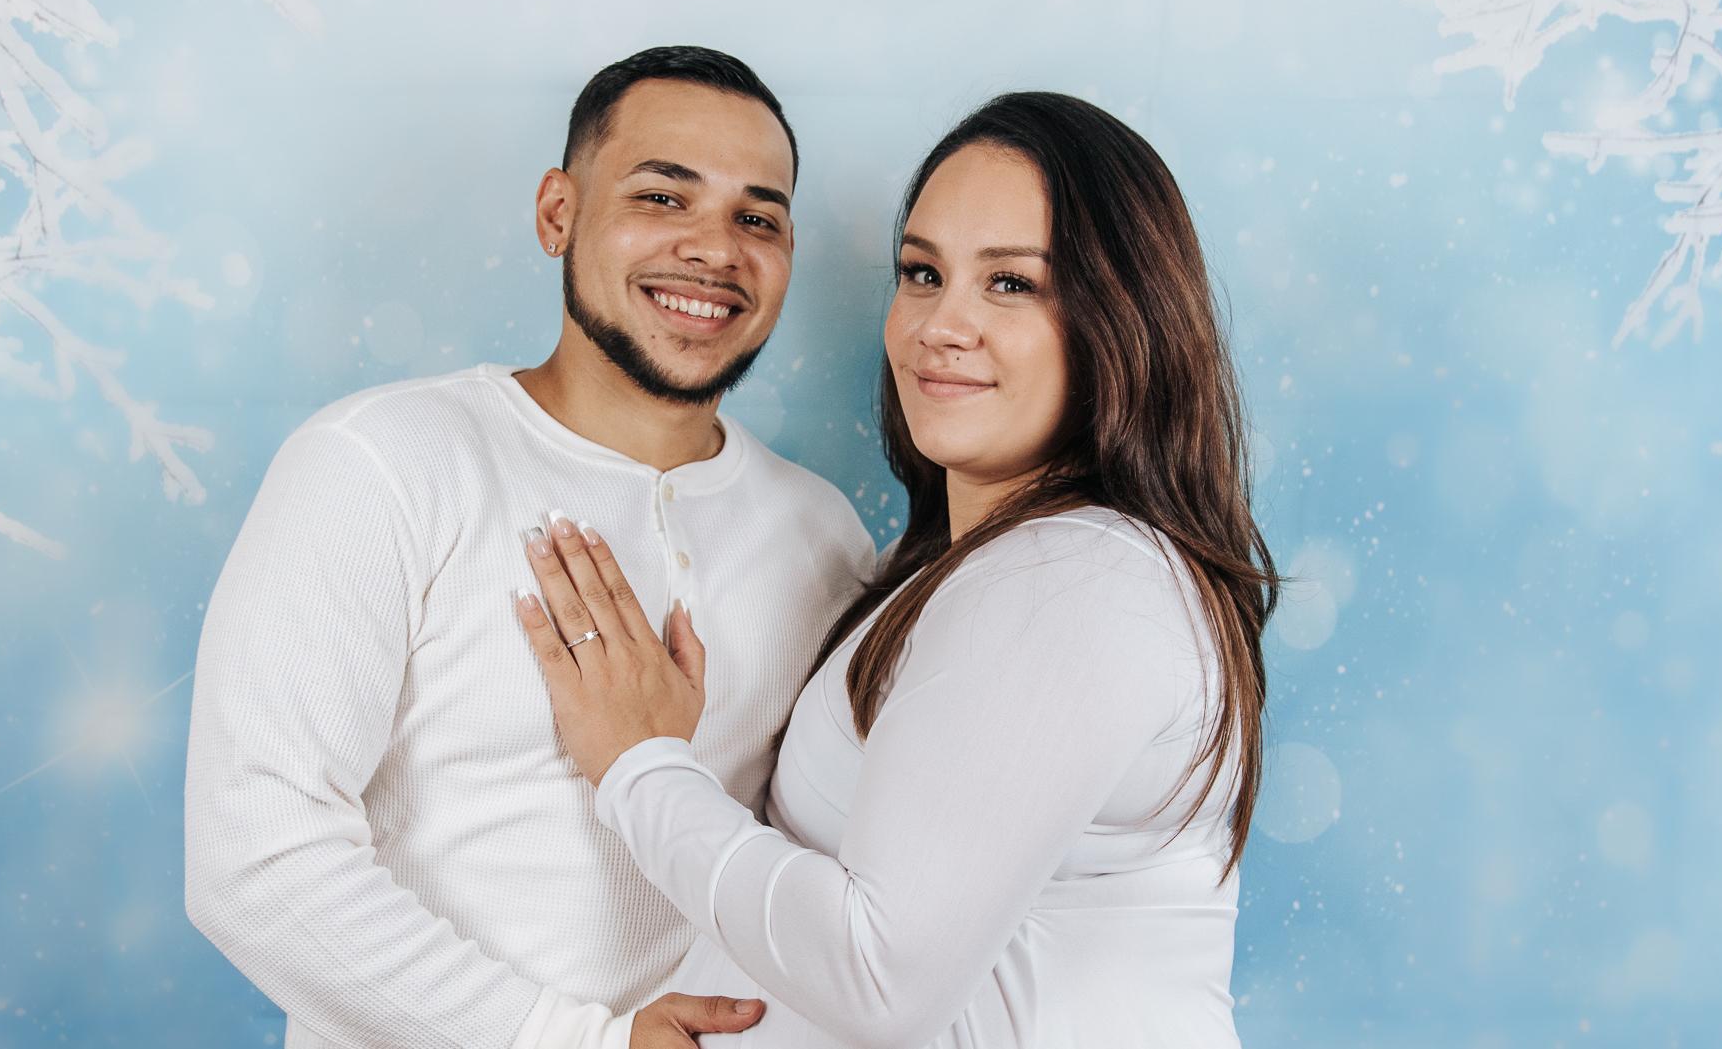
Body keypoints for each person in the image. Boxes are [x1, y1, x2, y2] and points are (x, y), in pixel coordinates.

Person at [515, 91, 1279, 1047]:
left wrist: (639, 766)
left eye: (1011, 283)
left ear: (1124, 318)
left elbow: (877, 975)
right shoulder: (945, 570)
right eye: (922, 273)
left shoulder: (1075, 576)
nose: (939, 325)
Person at [183, 46, 874, 1049]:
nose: (713, 250)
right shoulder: (382, 463)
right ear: (558, 213)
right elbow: (254, 857)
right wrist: (572, 1040)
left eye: (756, 218)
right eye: (662, 197)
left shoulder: (824, 536)